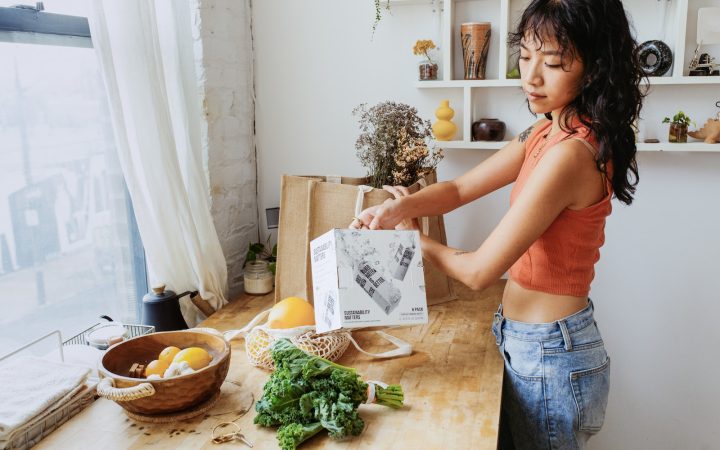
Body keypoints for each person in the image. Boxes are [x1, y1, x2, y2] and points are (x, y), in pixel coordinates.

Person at [350, 0, 645, 448]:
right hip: (534, 345)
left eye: (552, 63)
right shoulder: (547, 131)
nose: (531, 76)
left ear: (594, 66)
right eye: (525, 57)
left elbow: (478, 271)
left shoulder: (571, 154)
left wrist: (414, 241)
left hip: (549, 354)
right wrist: (399, 207)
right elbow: (460, 189)